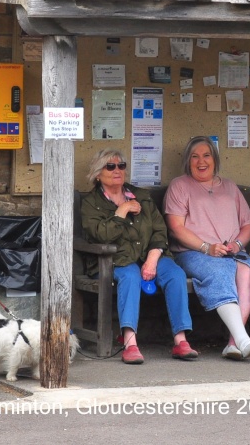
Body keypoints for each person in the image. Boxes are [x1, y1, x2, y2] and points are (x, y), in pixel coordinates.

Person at [80, 149, 199, 364]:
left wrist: (153, 259)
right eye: (110, 166)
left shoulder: (141, 196)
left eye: (121, 166)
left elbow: (159, 231)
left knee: (175, 274)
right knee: (131, 275)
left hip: (148, 255)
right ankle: (130, 342)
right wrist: (122, 210)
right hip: (112, 261)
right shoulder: (91, 202)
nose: (117, 170)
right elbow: (102, 235)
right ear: (98, 174)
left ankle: (180, 340)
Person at [164, 136, 250, 360]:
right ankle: (243, 338)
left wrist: (236, 244)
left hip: (231, 253)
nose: (201, 161)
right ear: (188, 161)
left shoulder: (229, 187)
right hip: (193, 253)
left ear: (215, 159)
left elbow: (248, 225)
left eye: (206, 155)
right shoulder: (180, 185)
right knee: (219, 271)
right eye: (195, 156)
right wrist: (207, 247)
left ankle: (233, 343)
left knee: (247, 273)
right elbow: (176, 228)